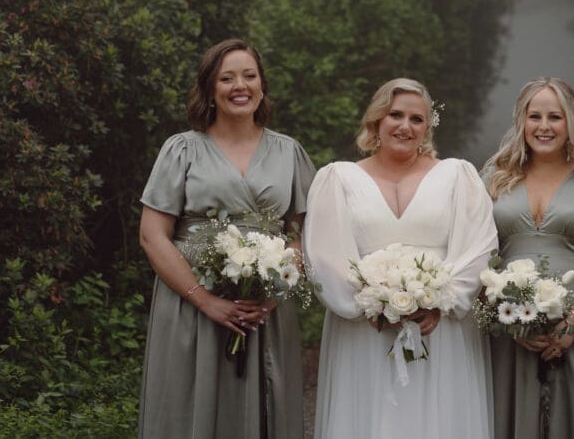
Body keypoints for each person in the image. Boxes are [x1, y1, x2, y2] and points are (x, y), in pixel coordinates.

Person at [137, 38, 315, 438]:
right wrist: (206, 300)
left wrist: (272, 293)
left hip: (263, 310)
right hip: (191, 306)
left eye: (249, 76)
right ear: (210, 89)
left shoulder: (290, 153)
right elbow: (152, 235)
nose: (241, 86)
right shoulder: (181, 150)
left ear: (262, 85)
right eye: (227, 78)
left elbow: (303, 235)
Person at [304, 78, 498, 438]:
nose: (405, 126)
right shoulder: (337, 178)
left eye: (417, 119)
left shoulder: (458, 175)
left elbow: (479, 247)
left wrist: (440, 300)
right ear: (377, 120)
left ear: (427, 127)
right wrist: (375, 303)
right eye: (395, 115)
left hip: (440, 329)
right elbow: (323, 257)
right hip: (364, 330)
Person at [483, 77, 574, 439]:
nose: (544, 127)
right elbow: (478, 255)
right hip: (507, 328)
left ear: (571, 123)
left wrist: (571, 327)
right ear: (521, 120)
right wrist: (511, 322)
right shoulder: (494, 180)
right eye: (535, 116)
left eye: (555, 117)